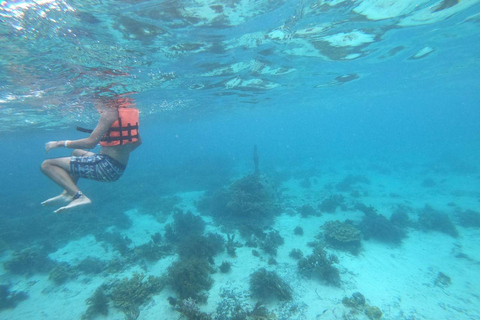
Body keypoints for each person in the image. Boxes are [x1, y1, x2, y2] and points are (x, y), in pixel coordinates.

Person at [41, 96, 142, 213]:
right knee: (76, 153)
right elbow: (138, 142)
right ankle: (67, 193)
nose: (95, 106)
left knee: (47, 165)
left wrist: (59, 143)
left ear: (103, 100)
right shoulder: (127, 115)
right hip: (118, 168)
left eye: (95, 103)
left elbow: (90, 143)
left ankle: (78, 196)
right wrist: (118, 151)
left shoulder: (109, 113)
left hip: (105, 168)